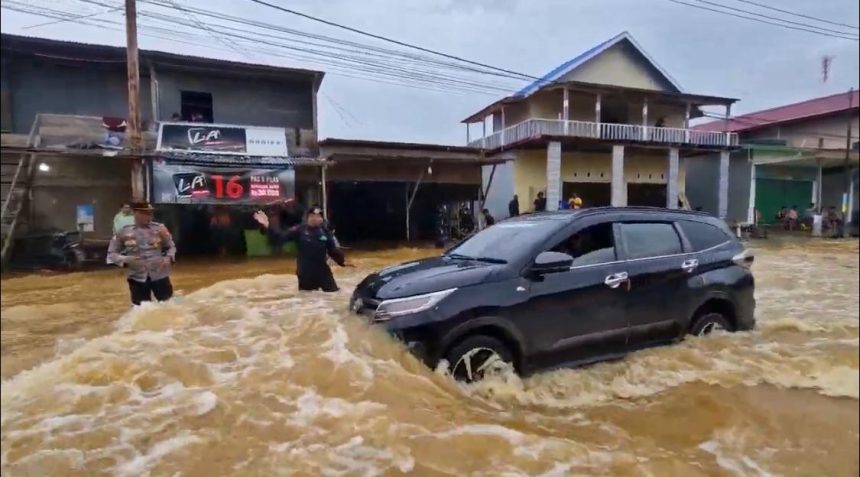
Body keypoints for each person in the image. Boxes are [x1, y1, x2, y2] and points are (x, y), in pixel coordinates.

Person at [254, 205, 351, 292]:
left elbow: (333, 251)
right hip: (305, 273)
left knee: (334, 295)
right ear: (308, 217)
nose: (314, 218)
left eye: (318, 216)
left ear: (321, 218)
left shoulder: (325, 232)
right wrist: (267, 225)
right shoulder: (299, 230)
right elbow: (280, 238)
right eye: (312, 216)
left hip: (323, 272)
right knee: (307, 301)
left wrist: (342, 262)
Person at [107, 201, 176, 305]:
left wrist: (168, 258)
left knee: (169, 306)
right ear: (136, 213)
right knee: (141, 310)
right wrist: (126, 259)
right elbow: (111, 254)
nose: (149, 216)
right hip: (137, 277)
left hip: (159, 274)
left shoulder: (159, 228)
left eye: (150, 213)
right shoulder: (123, 231)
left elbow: (171, 246)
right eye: (145, 213)